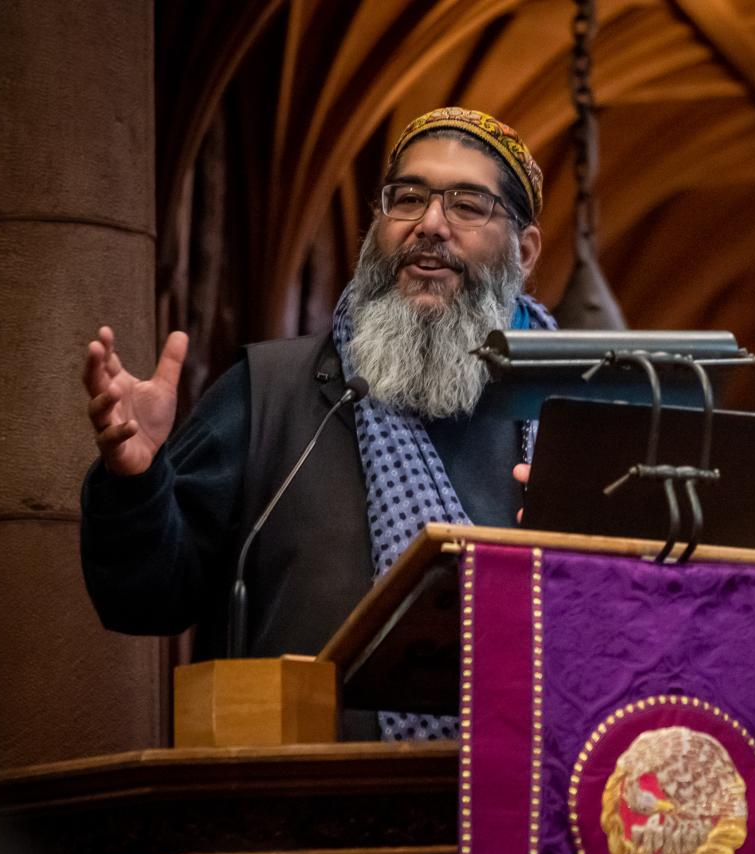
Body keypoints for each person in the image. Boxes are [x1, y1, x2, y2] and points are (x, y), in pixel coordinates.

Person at [80, 108, 550, 740]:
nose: (430, 224)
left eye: (468, 205)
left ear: (523, 251)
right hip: (293, 817)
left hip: (515, 809)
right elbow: (144, 599)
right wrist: (136, 484)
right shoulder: (271, 394)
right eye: (407, 198)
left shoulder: (565, 419)